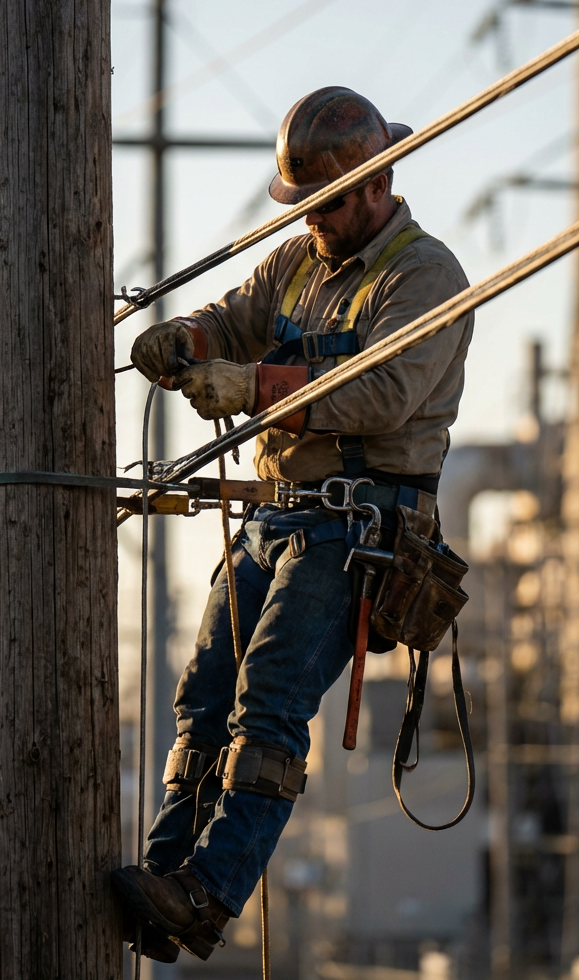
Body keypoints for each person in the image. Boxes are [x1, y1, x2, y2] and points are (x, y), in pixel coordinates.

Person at [112, 86, 473, 963]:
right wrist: (189, 341)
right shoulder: (296, 265)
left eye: (326, 205)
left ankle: (206, 894)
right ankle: (163, 876)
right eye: (303, 206)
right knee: (202, 696)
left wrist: (256, 388)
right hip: (278, 517)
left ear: (376, 182)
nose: (312, 223)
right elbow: (232, 320)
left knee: (269, 700)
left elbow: (386, 395)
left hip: (359, 521)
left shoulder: (425, 276)